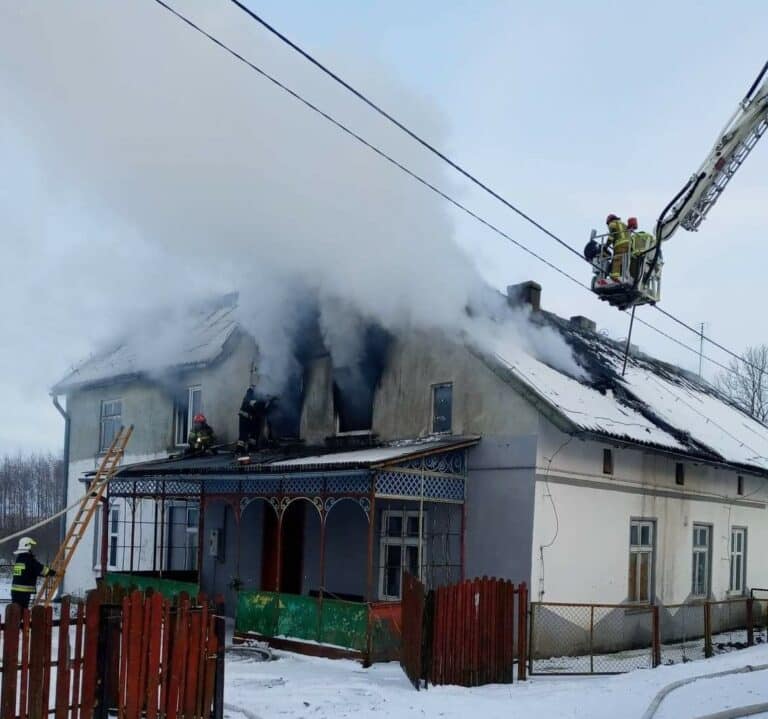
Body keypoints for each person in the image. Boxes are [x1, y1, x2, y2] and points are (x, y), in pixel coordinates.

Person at [11, 537, 55, 609]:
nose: (31, 549)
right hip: (23, 592)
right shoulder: (29, 559)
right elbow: (40, 569)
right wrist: (52, 572)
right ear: (27, 546)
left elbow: (29, 571)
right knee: (23, 611)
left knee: (15, 610)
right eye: (31, 546)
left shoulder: (19, 559)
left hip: (15, 590)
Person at [606, 213, 631, 281]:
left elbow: (611, 236)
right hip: (628, 245)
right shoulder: (624, 225)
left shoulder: (612, 224)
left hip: (620, 244)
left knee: (616, 260)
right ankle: (622, 275)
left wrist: (606, 245)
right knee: (624, 261)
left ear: (609, 221)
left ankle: (615, 277)